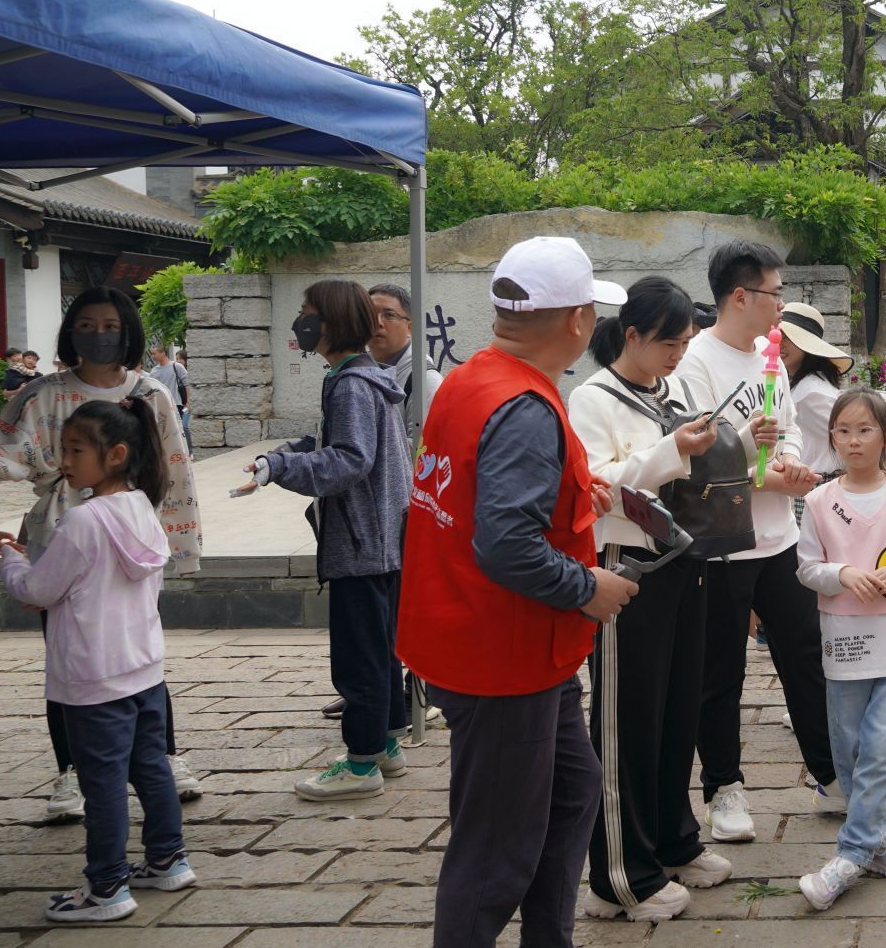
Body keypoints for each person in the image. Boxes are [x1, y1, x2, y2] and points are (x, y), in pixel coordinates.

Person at [396, 236, 639, 948]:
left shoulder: (473, 377)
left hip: (490, 643)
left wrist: (569, 487)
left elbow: (473, 492)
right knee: (495, 852)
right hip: (503, 655)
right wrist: (587, 585)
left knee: (571, 793)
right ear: (575, 320)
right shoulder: (526, 408)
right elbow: (505, 544)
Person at [0, 289, 203, 821]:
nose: (98, 333)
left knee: (141, 652)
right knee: (66, 658)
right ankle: (72, 773)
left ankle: (163, 757)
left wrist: (180, 544)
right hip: (60, 532)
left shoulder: (152, 393)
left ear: (127, 330)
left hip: (130, 533)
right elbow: (8, 456)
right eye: (86, 324)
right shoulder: (41, 394)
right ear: (71, 331)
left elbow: (174, 469)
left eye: (109, 324)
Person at [570, 277, 732, 923]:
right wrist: (671, 452)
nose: (677, 353)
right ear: (630, 334)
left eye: (686, 341)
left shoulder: (675, 390)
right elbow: (595, 481)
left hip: (681, 564)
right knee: (625, 720)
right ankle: (619, 875)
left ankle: (672, 840)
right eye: (668, 341)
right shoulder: (591, 397)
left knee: (675, 713)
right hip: (623, 569)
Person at [0, 399, 194, 923]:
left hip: (92, 676)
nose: (65, 459)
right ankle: (167, 858)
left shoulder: (83, 520)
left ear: (116, 455)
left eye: (76, 449)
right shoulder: (144, 511)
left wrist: (12, 559)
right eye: (64, 448)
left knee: (101, 782)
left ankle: (106, 886)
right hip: (144, 669)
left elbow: (39, 589)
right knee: (151, 768)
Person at [675, 241, 839, 842]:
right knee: (720, 672)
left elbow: (788, 426)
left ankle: (829, 774)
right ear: (740, 296)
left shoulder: (768, 356)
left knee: (806, 658)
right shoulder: (695, 362)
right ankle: (723, 788)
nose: (782, 306)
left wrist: (790, 465)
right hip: (722, 545)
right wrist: (770, 468)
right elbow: (699, 461)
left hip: (779, 539)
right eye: (775, 292)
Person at [239, 281, 412, 801]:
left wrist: (281, 466)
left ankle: (361, 767)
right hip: (380, 541)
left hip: (361, 545)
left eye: (308, 313)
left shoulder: (352, 385)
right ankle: (384, 745)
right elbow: (336, 440)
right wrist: (288, 453)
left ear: (332, 322)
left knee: (359, 659)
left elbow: (350, 459)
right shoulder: (361, 378)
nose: (301, 322)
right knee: (380, 652)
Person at [794, 388, 886, 910]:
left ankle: (850, 856)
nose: (853, 441)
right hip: (846, 642)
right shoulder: (818, 501)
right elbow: (807, 567)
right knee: (849, 748)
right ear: (830, 437)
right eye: (842, 431)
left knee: (881, 746)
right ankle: (881, 843)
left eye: (864, 431)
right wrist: (844, 573)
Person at [319, 282, 442, 725]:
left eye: (388, 314)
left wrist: (284, 466)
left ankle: (401, 702)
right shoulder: (368, 374)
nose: (377, 323)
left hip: (399, 517)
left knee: (388, 627)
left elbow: (430, 454)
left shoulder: (421, 380)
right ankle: (382, 705)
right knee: (379, 630)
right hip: (382, 518)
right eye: (371, 314)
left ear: (410, 323)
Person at [780, 300, 853, 486]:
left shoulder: (811, 391)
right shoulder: (806, 383)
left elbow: (847, 437)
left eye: (787, 338)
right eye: (777, 337)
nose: (780, 345)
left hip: (820, 482)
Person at [146, 345, 190, 455]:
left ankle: (184, 452)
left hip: (177, 404)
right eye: (151, 354)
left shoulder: (177, 367)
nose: (153, 356)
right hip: (162, 407)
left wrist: (188, 402)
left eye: (155, 353)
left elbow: (187, 385)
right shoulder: (154, 371)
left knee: (180, 430)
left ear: (163, 353)